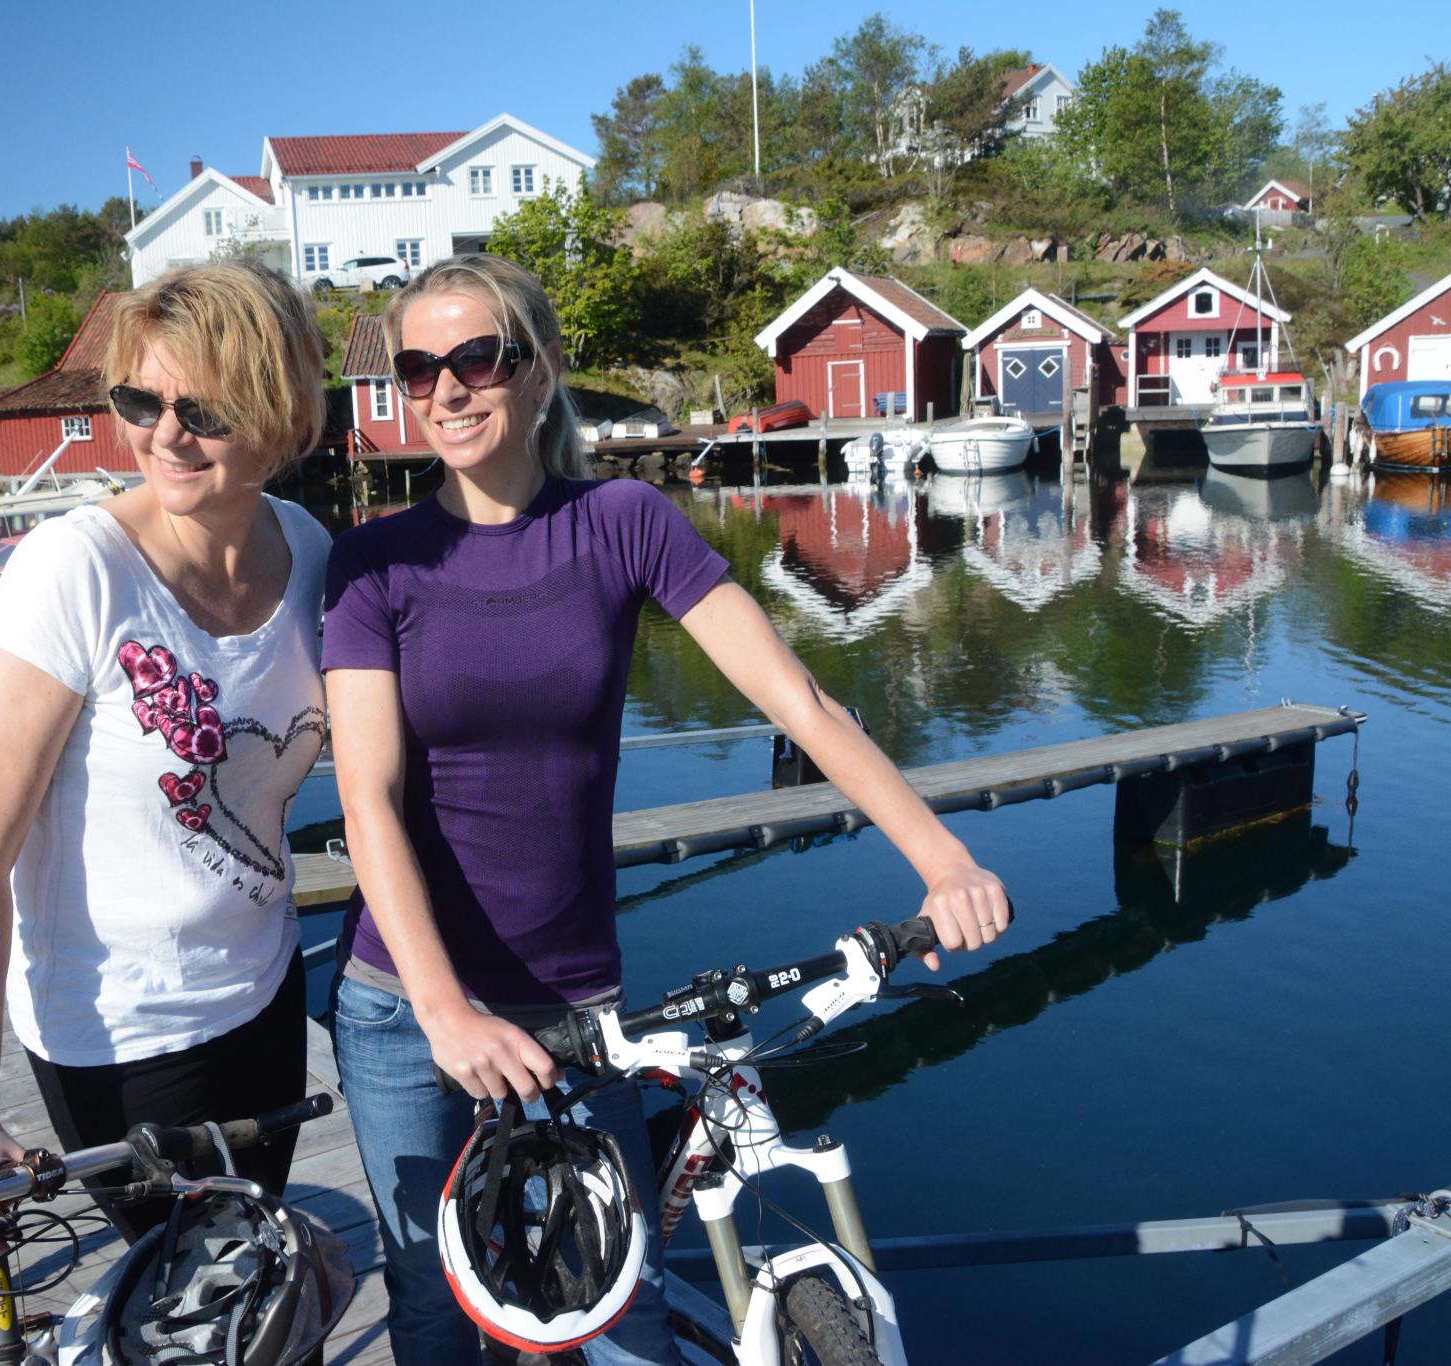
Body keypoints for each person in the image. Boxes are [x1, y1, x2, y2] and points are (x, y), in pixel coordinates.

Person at [321, 254, 1012, 1365]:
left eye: (476, 358)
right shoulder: (374, 562)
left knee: (622, 1307)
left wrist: (942, 860)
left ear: (539, 369)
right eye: (416, 369)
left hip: (577, 1001)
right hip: (407, 1006)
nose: (444, 389)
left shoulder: (622, 521)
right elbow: (368, 798)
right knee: (433, 1306)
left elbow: (799, 701)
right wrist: (445, 1011)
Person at [0, 261, 333, 1239]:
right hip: (123, 1029)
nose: (165, 436)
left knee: (267, 1281)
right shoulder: (74, 571)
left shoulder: (310, 550)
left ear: (281, 410)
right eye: (140, 402)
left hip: (266, 991)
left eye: (205, 410)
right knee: (205, 1298)